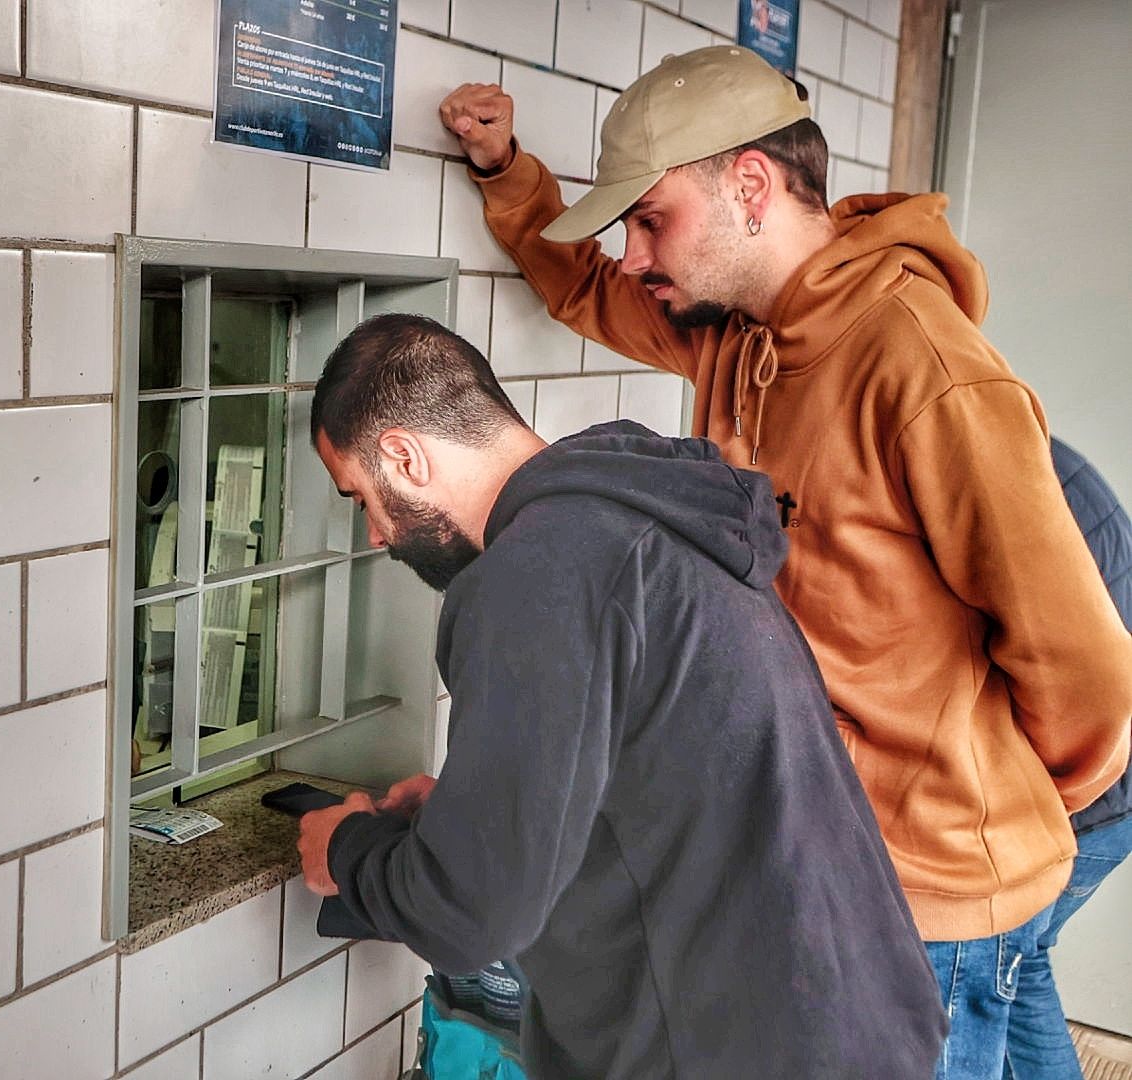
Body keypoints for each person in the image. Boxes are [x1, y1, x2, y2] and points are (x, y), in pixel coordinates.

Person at [437, 45, 1132, 1077]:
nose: (633, 254)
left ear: (750, 188)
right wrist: (508, 175)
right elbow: (586, 286)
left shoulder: (924, 368)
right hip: (827, 852)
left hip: (922, 897)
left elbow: (1085, 672)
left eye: (651, 219)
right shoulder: (740, 336)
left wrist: (975, 818)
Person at [296, 312, 946, 1079]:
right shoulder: (635, 513)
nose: (374, 534)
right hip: (849, 1016)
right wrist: (467, 812)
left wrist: (345, 850)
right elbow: (661, 767)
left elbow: (471, 914)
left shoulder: (535, 574)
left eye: (359, 496)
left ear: (403, 456)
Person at [1005, 439, 1132, 1079]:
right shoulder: (1039, 455)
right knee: (1014, 964)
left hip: (1098, 792)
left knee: (1013, 964)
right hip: (1110, 787)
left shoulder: (1001, 477)